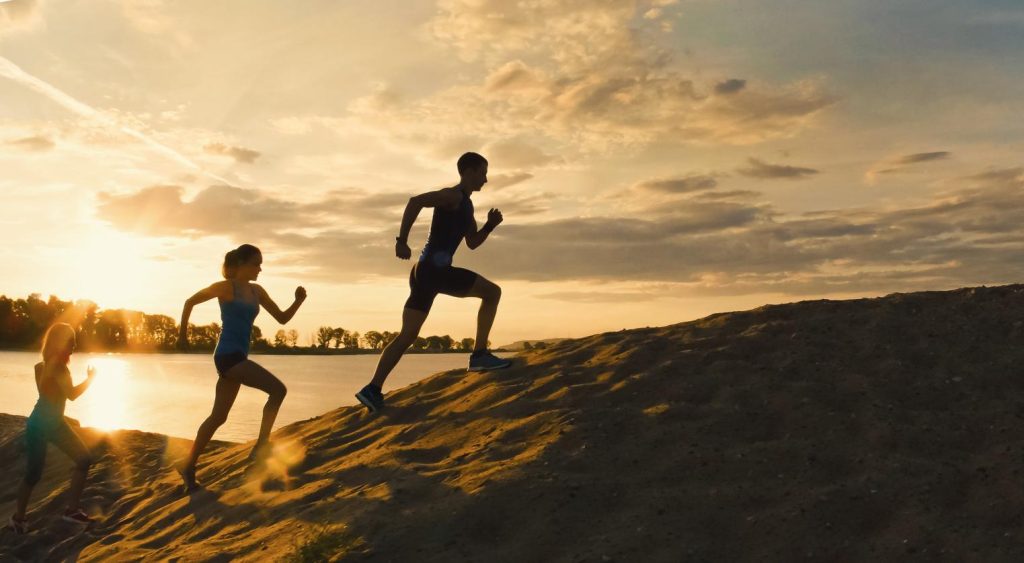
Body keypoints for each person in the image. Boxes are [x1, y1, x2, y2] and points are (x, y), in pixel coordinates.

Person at [356, 152, 511, 413]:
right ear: (469, 171)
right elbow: (415, 201)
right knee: (493, 293)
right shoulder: (452, 196)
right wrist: (401, 239)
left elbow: (472, 243)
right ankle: (480, 355)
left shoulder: (468, 206)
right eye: (483, 172)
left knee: (407, 335)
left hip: (424, 273)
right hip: (434, 271)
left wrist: (490, 226)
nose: (486, 178)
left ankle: (372, 389)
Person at [178, 244, 306, 491]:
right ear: (241, 264)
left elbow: (282, 318)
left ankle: (188, 465)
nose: (260, 268)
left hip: (236, 356)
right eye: (256, 263)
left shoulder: (257, 291)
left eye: (260, 263)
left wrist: (298, 301)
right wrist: (182, 335)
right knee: (278, 390)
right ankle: (261, 446)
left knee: (218, 417)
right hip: (228, 355)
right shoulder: (226, 287)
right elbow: (190, 301)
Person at [7, 323, 96, 534]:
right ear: (60, 342)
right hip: (40, 427)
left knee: (83, 459)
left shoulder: (42, 365)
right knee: (33, 474)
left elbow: (49, 396)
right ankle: (18, 518)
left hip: (52, 423)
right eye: (71, 342)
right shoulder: (58, 367)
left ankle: (72, 511)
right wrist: (91, 379)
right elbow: (72, 395)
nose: (74, 346)